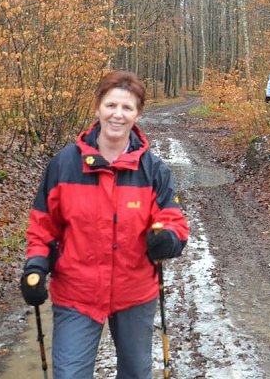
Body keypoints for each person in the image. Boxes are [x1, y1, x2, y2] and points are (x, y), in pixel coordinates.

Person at [20, 70, 189, 379]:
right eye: (111, 105)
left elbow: (174, 222)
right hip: (77, 293)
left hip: (134, 293)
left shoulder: (153, 169)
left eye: (127, 108)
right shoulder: (64, 164)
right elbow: (42, 227)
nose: (118, 114)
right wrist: (35, 265)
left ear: (137, 114)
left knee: (137, 374)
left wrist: (168, 239)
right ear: (98, 106)